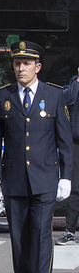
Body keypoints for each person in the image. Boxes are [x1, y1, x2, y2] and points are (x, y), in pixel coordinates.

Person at [0, 41, 72, 273]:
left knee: (41, 234)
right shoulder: (2, 96)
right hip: (14, 178)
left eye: (25, 64)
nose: (20, 68)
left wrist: (66, 176)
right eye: (16, 63)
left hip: (45, 177)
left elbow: (64, 140)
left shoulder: (55, 95)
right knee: (19, 238)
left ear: (38, 67)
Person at [55, 69, 79, 246]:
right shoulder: (74, 84)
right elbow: (66, 100)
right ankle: (70, 231)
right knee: (75, 189)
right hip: (75, 142)